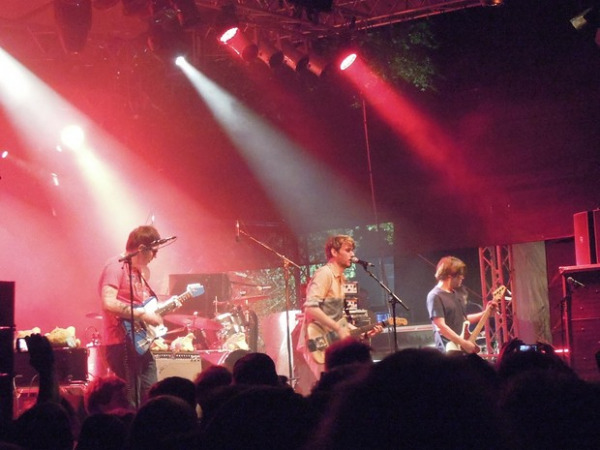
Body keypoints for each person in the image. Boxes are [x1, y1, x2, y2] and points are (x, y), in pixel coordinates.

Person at [297, 235, 382, 389]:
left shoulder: (340, 278)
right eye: (348, 250)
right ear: (334, 252)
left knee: (338, 387)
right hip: (317, 341)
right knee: (331, 388)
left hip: (329, 340)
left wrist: (361, 333)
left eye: (352, 251)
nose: (352, 255)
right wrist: (338, 328)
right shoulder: (325, 274)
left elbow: (336, 317)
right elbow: (310, 308)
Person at [98, 225, 164, 406]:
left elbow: (141, 306)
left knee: (153, 399)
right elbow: (108, 303)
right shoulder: (116, 266)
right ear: (142, 249)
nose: (154, 257)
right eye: (154, 252)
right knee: (130, 403)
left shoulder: (138, 272)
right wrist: (143, 314)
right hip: (121, 346)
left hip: (141, 345)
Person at [426, 255, 496, 354]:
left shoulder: (455, 295)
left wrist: (486, 313)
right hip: (448, 349)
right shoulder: (435, 296)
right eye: (459, 275)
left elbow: (463, 320)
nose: (462, 278)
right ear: (450, 275)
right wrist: (463, 343)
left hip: (459, 347)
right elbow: (441, 327)